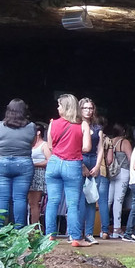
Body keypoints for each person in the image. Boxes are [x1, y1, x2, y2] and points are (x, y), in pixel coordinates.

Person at [44, 94, 93, 246]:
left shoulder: (53, 124)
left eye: (59, 105)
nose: (57, 108)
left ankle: (50, 236)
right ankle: (76, 238)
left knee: (52, 201)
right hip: (72, 165)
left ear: (65, 107)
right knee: (73, 204)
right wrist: (73, 147)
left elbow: (50, 146)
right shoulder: (82, 125)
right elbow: (87, 148)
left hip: (54, 163)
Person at [0, 99, 36, 227]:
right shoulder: (31, 126)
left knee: (2, 198)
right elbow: (32, 144)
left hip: (2, 163)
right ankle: (19, 230)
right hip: (23, 163)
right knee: (20, 198)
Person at [77, 98, 103, 246]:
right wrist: (82, 166)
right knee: (79, 198)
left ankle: (89, 233)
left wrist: (98, 165)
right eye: (85, 108)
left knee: (92, 198)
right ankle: (76, 232)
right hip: (80, 159)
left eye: (91, 108)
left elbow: (100, 148)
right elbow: (75, 147)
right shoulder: (76, 125)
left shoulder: (97, 127)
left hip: (93, 160)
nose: (88, 110)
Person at [107, 124, 132, 240]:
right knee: (118, 201)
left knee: (108, 200)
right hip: (123, 172)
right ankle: (117, 228)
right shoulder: (125, 142)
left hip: (111, 173)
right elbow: (130, 158)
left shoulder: (109, 141)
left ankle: (104, 228)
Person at [28, 123, 48, 226]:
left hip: (38, 174)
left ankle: (34, 226)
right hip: (27, 173)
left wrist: (34, 164)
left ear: (38, 132)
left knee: (34, 203)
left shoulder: (44, 145)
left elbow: (49, 160)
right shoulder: (29, 144)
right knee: (28, 202)